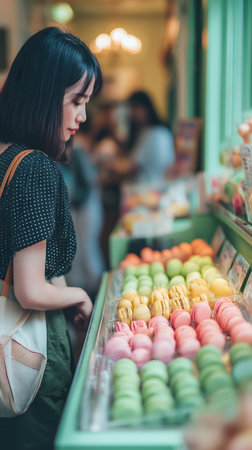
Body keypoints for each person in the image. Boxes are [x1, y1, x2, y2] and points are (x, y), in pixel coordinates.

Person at [0, 26, 102, 450]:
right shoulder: (37, 168)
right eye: (76, 101)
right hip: (30, 348)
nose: (82, 117)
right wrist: (78, 295)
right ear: (45, 94)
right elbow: (30, 289)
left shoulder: (5, 155)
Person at [104, 90, 175, 182]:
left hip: (149, 187)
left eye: (135, 108)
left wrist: (110, 165)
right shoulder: (151, 131)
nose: (133, 113)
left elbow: (132, 167)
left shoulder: (154, 133)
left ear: (146, 107)